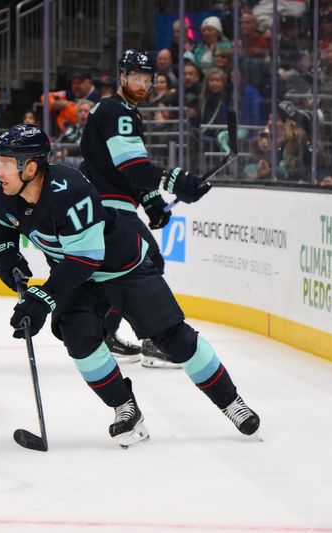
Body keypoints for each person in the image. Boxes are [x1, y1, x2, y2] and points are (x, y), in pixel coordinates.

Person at [0, 124, 260, 447]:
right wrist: (5, 254)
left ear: (30, 168)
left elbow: (85, 258)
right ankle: (125, 408)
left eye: (5, 163)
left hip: (123, 266)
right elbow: (3, 224)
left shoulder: (70, 190)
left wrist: (42, 299)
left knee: (173, 337)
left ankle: (231, 402)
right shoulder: (4, 193)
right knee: (79, 338)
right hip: (75, 275)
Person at [79, 49, 209, 367]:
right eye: (135, 77)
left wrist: (152, 202)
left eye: (147, 78)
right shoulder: (118, 111)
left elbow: (126, 171)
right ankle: (154, 341)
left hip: (106, 205)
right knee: (147, 261)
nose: (142, 83)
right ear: (122, 77)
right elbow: (133, 167)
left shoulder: (124, 112)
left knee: (122, 272)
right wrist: (175, 180)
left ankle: (105, 331)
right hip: (108, 208)